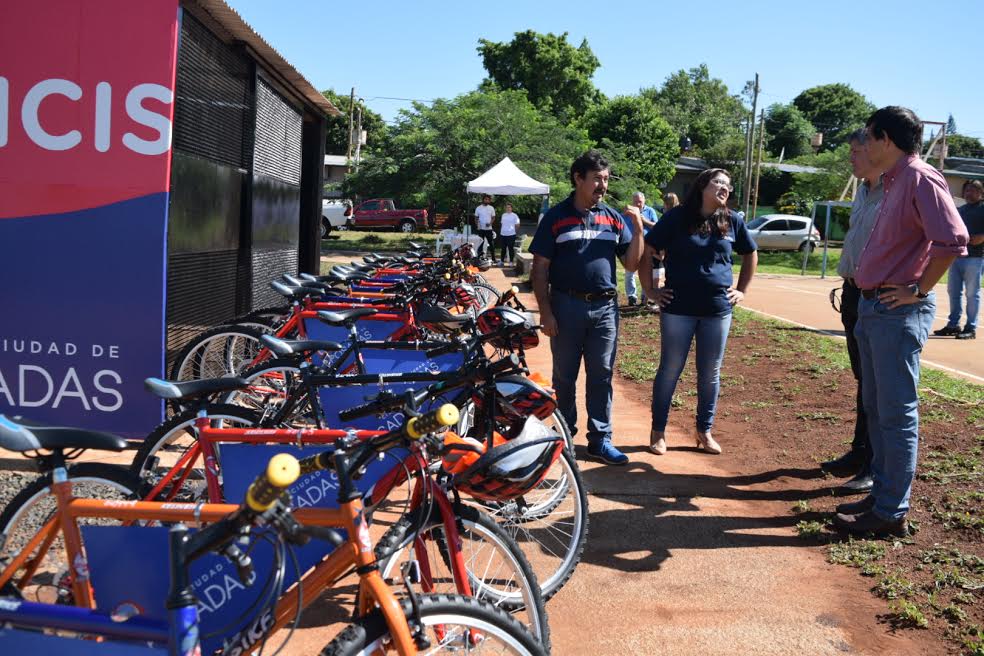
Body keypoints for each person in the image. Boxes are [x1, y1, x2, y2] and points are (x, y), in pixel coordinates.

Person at [834, 106, 968, 538]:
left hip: (898, 310)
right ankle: (882, 495)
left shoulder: (920, 177)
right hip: (873, 307)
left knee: (896, 413)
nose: (865, 143)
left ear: (886, 140)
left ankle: (891, 512)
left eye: (869, 136)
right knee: (876, 408)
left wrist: (920, 290)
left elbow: (953, 240)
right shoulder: (889, 182)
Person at [529, 150, 645, 465]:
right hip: (565, 306)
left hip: (605, 309)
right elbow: (540, 267)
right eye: (597, 179)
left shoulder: (613, 218)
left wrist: (637, 229)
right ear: (578, 179)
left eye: (606, 179)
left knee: (601, 375)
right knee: (564, 378)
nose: (603, 186)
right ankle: (565, 440)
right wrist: (546, 311)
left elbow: (631, 262)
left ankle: (600, 440)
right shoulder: (555, 217)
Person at [639, 169, 757, 456]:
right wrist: (651, 291)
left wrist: (741, 289)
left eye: (728, 185)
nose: (724, 188)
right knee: (670, 369)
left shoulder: (732, 220)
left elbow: (750, 253)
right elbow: (648, 248)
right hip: (678, 309)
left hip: (717, 309)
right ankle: (658, 431)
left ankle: (704, 431)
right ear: (702, 185)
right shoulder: (677, 217)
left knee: (710, 373)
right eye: (718, 182)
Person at [821, 129, 884, 493]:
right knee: (864, 382)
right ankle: (860, 452)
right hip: (854, 293)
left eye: (857, 151)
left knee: (878, 387)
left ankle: (875, 466)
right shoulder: (863, 189)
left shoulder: (895, 191)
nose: (851, 158)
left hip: (879, 296)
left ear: (876, 150)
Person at [933, 180, 984, 340]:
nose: (970, 193)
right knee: (953, 292)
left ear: (981, 193)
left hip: (975, 258)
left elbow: (979, 238)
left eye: (974, 190)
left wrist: (976, 238)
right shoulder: (960, 210)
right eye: (968, 190)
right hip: (956, 257)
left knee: (971, 294)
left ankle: (971, 327)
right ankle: (953, 325)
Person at [623, 192, 659, 306]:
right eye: (636, 201)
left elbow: (657, 227)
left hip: (647, 245)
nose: (638, 204)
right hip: (631, 245)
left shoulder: (650, 211)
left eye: (640, 201)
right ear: (632, 201)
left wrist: (644, 221)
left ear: (644, 200)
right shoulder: (628, 211)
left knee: (646, 271)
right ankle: (631, 296)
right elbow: (621, 224)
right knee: (630, 272)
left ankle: (645, 296)